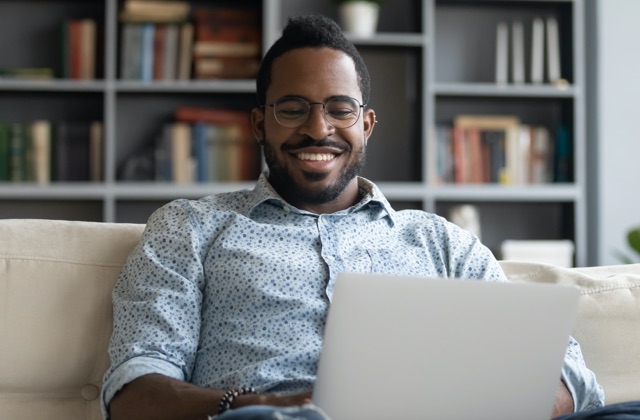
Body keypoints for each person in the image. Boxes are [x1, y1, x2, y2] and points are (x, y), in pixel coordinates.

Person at [102, 14, 605, 420]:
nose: (318, 128)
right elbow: (134, 388)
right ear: (259, 123)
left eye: (340, 109)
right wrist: (256, 404)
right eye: (293, 109)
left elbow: (566, 369)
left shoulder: (442, 243)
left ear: (365, 124)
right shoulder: (191, 228)